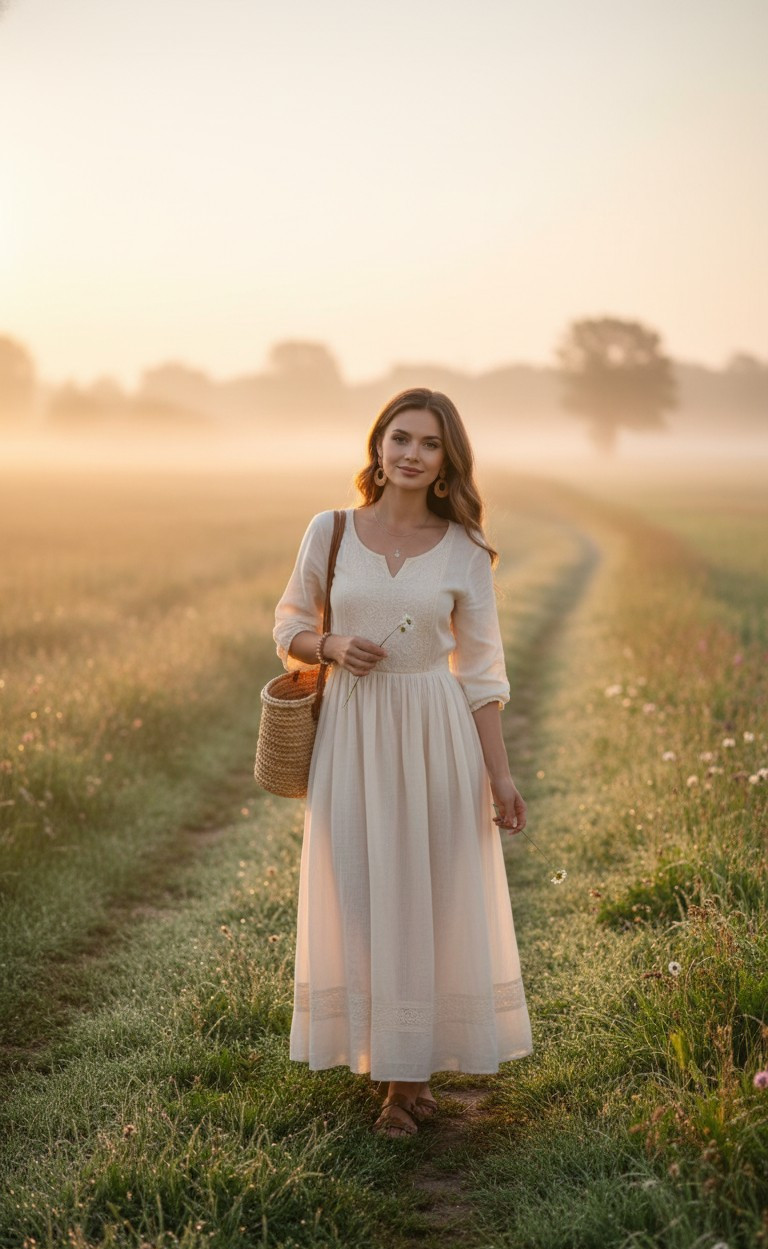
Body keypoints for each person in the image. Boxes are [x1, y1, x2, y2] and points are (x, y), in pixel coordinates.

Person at [272, 387, 533, 1138]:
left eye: (429, 444)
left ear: (447, 462)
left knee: (429, 895)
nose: (412, 454)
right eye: (401, 438)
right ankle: (390, 1061)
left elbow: (482, 674)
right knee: (358, 888)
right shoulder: (330, 531)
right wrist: (328, 646)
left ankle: (404, 1083)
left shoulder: (466, 551)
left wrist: (501, 775)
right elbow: (289, 622)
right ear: (378, 446)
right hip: (351, 733)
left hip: (435, 732)